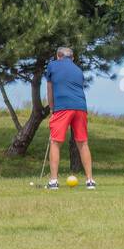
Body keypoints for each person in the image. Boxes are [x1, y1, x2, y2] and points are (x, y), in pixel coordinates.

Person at [44, 46, 95, 190]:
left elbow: (50, 89)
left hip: (63, 107)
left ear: (58, 56)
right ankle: (90, 181)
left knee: (55, 142)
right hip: (80, 107)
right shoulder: (78, 70)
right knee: (82, 142)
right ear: (72, 58)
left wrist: (52, 108)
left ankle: (53, 181)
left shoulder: (52, 65)